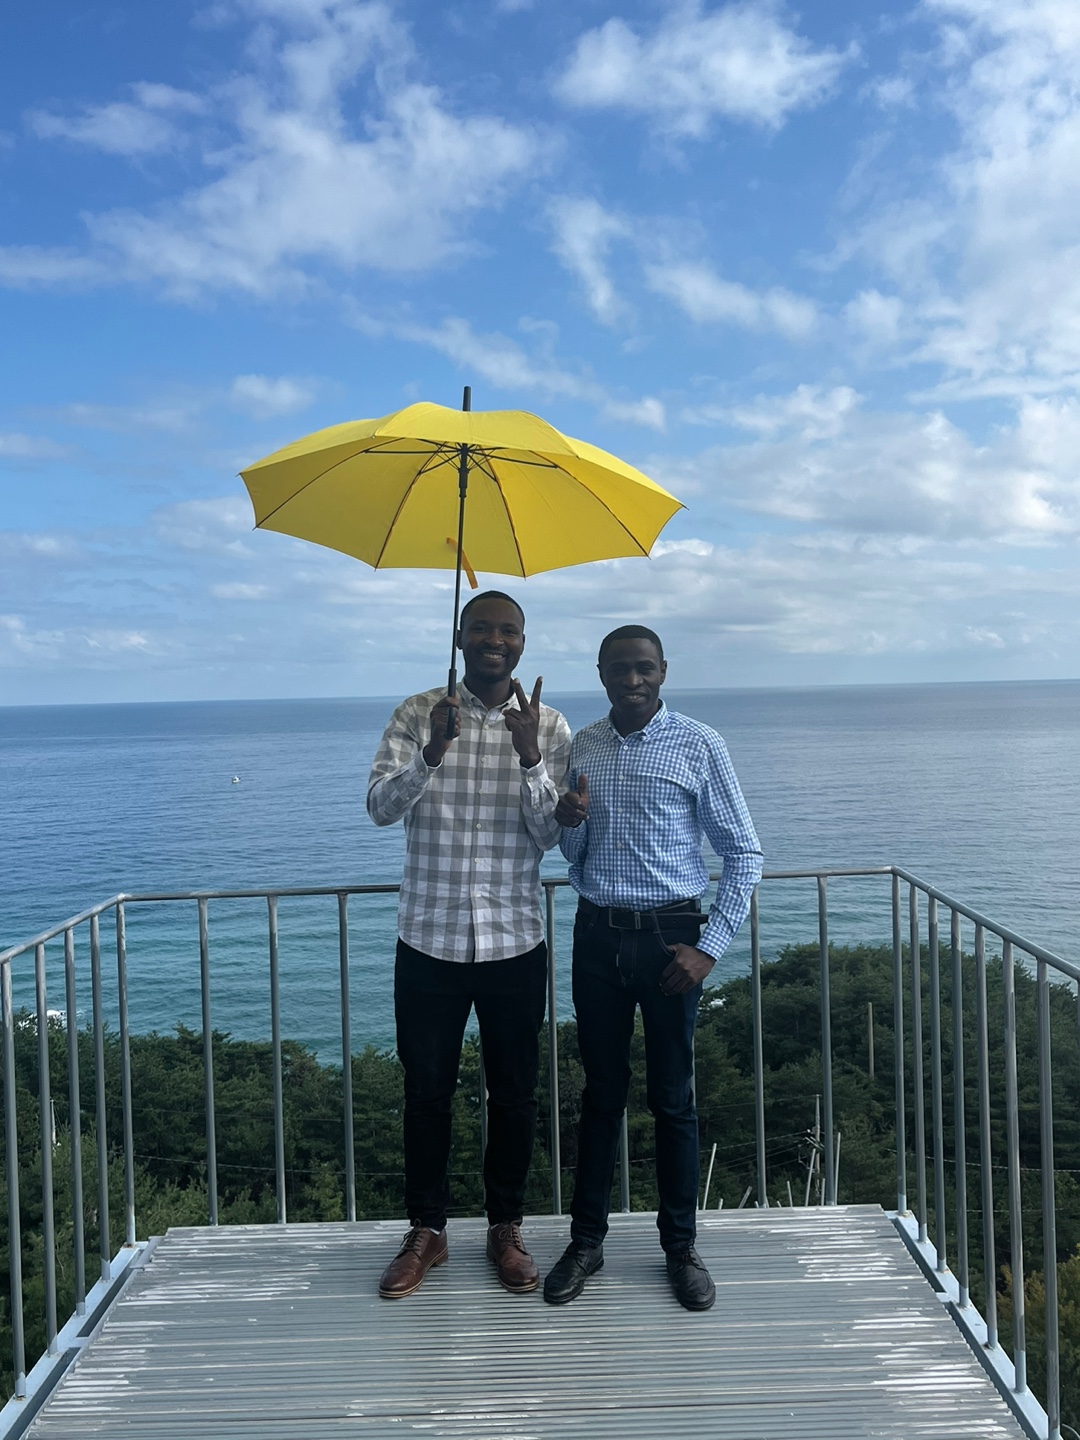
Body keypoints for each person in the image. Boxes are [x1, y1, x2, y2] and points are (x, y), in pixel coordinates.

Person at [544, 625, 762, 1311]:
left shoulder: (699, 743)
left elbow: (744, 852)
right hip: (597, 935)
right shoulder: (582, 745)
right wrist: (570, 819)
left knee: (673, 1097)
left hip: (672, 939)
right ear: (601, 673)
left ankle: (680, 1248)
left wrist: (711, 946)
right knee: (601, 1094)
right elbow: (574, 856)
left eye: (644, 668)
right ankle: (587, 1242)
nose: (632, 680)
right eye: (619, 669)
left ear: (663, 670)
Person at [367, 591, 571, 1299]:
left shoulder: (548, 724)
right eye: (481, 627)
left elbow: (552, 836)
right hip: (429, 938)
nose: (494, 639)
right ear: (460, 637)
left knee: (514, 1095)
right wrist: (431, 753)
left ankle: (505, 1227)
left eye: (507, 630)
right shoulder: (418, 712)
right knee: (426, 1093)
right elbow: (378, 808)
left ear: (523, 643)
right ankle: (427, 1230)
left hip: (514, 939)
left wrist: (530, 758)